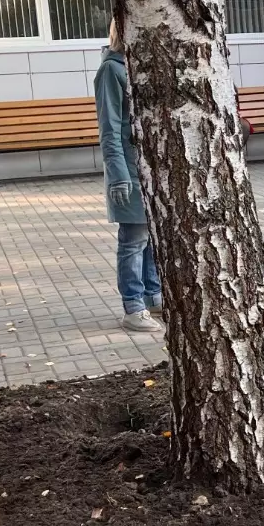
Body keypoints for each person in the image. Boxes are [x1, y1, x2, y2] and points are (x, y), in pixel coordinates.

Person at [94, 21, 163, 334]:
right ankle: (133, 306)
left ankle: (153, 295)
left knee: (150, 237)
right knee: (134, 239)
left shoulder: (141, 67)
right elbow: (109, 128)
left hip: (150, 167)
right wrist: (119, 174)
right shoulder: (112, 69)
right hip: (129, 168)